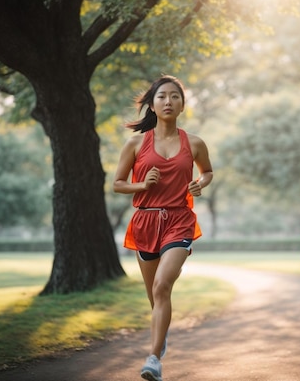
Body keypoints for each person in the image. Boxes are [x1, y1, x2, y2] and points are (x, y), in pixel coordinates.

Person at [113, 75, 213, 381]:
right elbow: (117, 184)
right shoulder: (135, 144)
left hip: (179, 220)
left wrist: (199, 183)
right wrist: (143, 184)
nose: (168, 101)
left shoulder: (193, 143)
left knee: (162, 287)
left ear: (182, 104)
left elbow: (207, 171)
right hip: (145, 221)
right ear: (152, 105)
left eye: (175, 97)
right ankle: (161, 333)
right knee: (154, 296)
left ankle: (154, 358)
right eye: (162, 97)